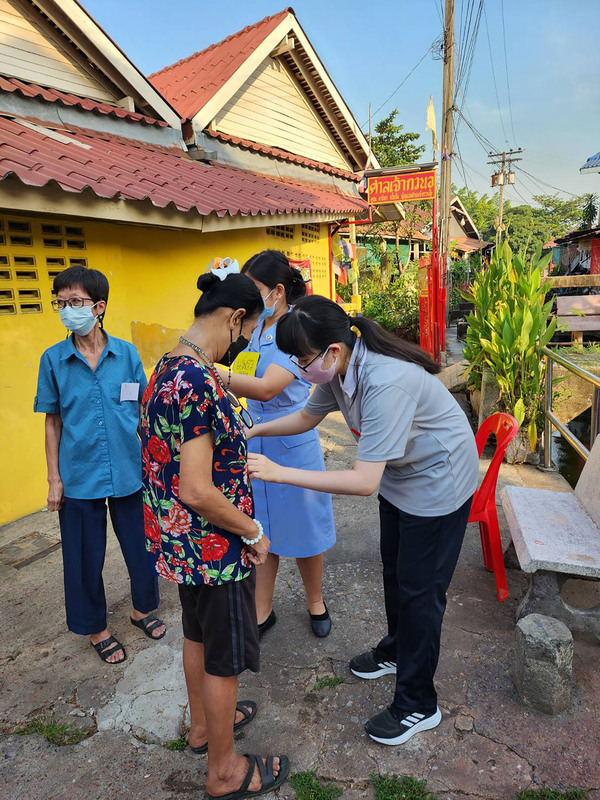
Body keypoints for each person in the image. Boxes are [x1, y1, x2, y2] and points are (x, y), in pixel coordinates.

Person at [246, 295, 479, 747]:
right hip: (403, 476)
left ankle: (417, 703)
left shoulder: (385, 381)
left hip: (438, 483)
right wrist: (253, 430)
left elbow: (363, 480)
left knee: (422, 594)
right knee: (395, 571)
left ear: (332, 351)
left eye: (302, 358)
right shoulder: (338, 368)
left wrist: (279, 472)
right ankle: (396, 650)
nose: (298, 366)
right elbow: (303, 417)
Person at [140, 269, 289, 800]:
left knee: (196, 635)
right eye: (246, 333)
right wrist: (252, 531)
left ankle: (203, 729)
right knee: (224, 656)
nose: (244, 343)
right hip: (215, 548)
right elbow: (198, 488)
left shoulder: (166, 367)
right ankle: (224, 770)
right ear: (233, 318)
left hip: (179, 544)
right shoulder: (200, 382)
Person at [34, 266, 166, 666]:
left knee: (143, 547)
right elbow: (52, 421)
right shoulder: (54, 360)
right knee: (83, 556)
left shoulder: (125, 353)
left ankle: (143, 608)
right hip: (79, 477)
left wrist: (155, 464)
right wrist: (54, 479)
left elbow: (143, 410)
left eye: (75, 302)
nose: (67, 310)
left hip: (130, 469)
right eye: (61, 303)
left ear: (99, 306)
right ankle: (96, 628)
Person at [221, 250, 335, 638]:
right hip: (254, 442)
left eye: (255, 290)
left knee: (305, 532)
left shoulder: (293, 329)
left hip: (292, 441)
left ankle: (315, 601)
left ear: (278, 290)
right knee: (259, 529)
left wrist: (214, 375)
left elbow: (268, 389)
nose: (250, 298)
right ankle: (262, 609)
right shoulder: (254, 329)